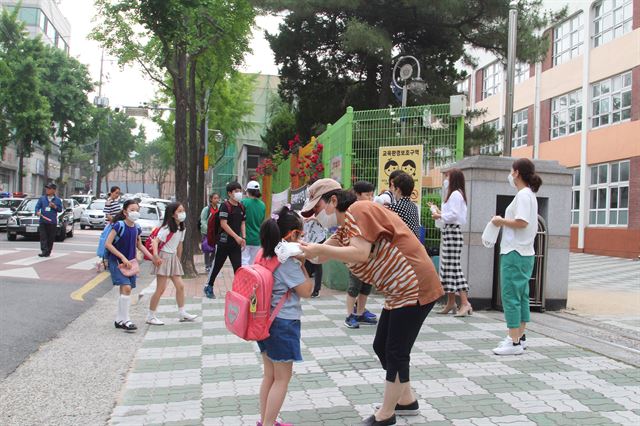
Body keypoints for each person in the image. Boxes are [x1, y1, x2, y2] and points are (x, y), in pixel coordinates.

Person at [300, 179, 444, 426]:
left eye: (317, 209)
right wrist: (303, 251)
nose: (315, 216)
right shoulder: (345, 225)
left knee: (397, 351)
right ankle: (406, 400)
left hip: (413, 285)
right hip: (398, 290)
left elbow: (359, 252)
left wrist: (317, 249)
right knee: (382, 346)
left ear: (333, 201)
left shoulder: (359, 210)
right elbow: (324, 252)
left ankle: (386, 414)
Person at [257, 206, 314, 426]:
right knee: (282, 379)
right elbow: (306, 291)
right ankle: (269, 424)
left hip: (264, 321)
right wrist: (302, 264)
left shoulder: (264, 253)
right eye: (300, 234)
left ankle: (266, 421)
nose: (302, 238)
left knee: (269, 376)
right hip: (283, 324)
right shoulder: (287, 261)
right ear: (291, 234)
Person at [490, 158, 542, 356]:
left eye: (512, 171)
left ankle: (513, 341)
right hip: (525, 252)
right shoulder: (529, 195)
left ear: (517, 172)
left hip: (514, 252)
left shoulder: (522, 195)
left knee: (511, 296)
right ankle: (519, 336)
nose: (510, 174)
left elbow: (521, 222)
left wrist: (500, 220)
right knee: (521, 296)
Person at [105, 200, 158, 332]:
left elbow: (139, 245)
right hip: (117, 262)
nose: (135, 212)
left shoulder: (136, 228)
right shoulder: (118, 225)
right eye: (132, 210)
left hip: (131, 263)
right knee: (127, 288)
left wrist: (152, 258)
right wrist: (122, 257)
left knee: (125, 290)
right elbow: (108, 244)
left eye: (137, 210)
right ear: (125, 212)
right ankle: (126, 320)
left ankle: (119, 319)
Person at [146, 202, 198, 325]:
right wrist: (155, 255)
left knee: (180, 286)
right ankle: (150, 315)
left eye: (183, 210)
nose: (182, 213)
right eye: (179, 211)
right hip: (163, 257)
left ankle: (182, 312)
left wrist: (178, 260)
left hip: (173, 258)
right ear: (172, 214)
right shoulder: (167, 228)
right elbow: (155, 242)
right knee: (161, 289)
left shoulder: (182, 228)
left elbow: (180, 244)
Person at [430, 168, 471, 316]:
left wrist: (439, 215)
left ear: (453, 178)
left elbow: (453, 215)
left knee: (453, 268)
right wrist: (440, 214)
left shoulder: (455, 194)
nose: (445, 179)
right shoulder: (457, 193)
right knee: (448, 269)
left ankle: (465, 303)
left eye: (447, 176)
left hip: (452, 232)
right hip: (451, 232)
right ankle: (451, 302)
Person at [203, 182, 246, 299]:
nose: (239, 193)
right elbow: (223, 224)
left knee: (238, 268)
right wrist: (236, 237)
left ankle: (239, 290)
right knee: (217, 266)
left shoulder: (242, 207)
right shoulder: (225, 206)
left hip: (235, 245)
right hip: (223, 243)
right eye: (236, 191)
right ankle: (209, 286)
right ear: (229, 193)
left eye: (239, 191)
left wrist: (243, 237)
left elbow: (243, 222)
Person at [344, 181, 378, 329]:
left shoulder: (372, 209)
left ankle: (360, 313)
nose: (370, 198)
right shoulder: (352, 211)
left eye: (372, 195)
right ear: (357, 195)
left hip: (369, 256)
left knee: (366, 286)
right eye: (367, 195)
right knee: (354, 286)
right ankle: (349, 315)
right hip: (356, 256)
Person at [387, 172, 420, 238]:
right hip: (415, 242)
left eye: (394, 189)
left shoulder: (394, 208)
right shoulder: (414, 206)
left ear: (398, 190)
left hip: (404, 245)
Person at [242, 180, 266, 266]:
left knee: (244, 262)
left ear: (248, 191)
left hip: (245, 238)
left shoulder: (243, 202)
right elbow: (262, 221)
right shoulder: (262, 205)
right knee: (253, 263)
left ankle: (245, 279)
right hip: (257, 239)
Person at [35, 183, 63, 257]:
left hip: (52, 222)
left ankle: (48, 251)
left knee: (50, 238)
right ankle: (44, 251)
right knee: (43, 237)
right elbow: (37, 207)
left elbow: (60, 210)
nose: (47, 190)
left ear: (54, 190)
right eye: (47, 188)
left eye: (49, 189)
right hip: (43, 221)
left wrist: (54, 206)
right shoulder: (42, 198)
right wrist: (37, 212)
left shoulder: (57, 200)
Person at [200, 193, 220, 272]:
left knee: (215, 249)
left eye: (217, 198)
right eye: (215, 198)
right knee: (207, 249)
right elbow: (203, 220)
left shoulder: (219, 208)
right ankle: (207, 265)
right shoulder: (206, 209)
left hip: (216, 233)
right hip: (206, 232)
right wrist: (208, 229)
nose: (216, 200)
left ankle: (211, 263)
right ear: (211, 199)